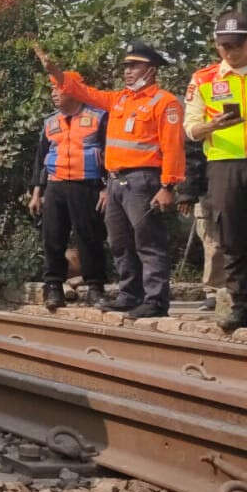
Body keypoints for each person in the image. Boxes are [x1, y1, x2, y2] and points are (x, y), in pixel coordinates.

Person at [35, 40, 185, 319]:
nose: (127, 71)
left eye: (134, 65)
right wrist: (54, 71)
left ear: (151, 70)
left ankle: (155, 300)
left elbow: (174, 147)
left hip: (144, 180)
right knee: (120, 242)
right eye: (126, 66)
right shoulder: (120, 100)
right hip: (116, 181)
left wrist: (168, 186)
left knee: (148, 243)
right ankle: (130, 294)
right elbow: (80, 90)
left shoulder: (164, 102)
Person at [184, 10, 247, 332]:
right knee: (231, 238)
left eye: (237, 44)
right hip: (224, 164)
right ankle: (240, 308)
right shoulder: (204, 78)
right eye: (224, 45)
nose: (230, 52)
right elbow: (189, 128)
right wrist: (209, 126)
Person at [29, 84, 108, 309]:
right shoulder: (50, 122)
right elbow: (41, 159)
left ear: (73, 92)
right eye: (51, 90)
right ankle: (53, 286)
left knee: (90, 236)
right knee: (52, 237)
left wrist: (107, 187)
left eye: (59, 90)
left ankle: (95, 287)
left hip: (88, 184)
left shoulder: (98, 117)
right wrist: (37, 192)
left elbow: (111, 153)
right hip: (56, 185)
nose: (53, 94)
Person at [175, 140, 223, 312]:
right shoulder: (203, 114)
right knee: (212, 242)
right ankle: (214, 291)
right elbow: (191, 152)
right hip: (208, 186)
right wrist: (187, 192)